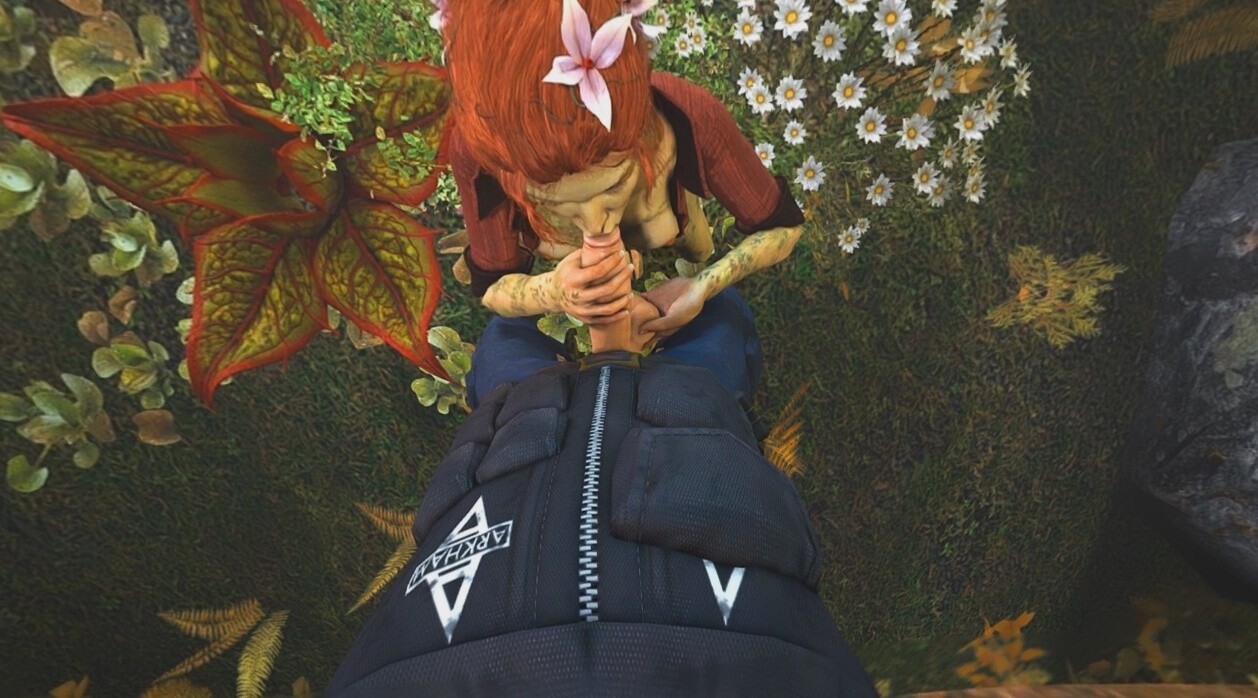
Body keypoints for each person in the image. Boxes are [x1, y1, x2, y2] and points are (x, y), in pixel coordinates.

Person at [324, 273, 879, 697]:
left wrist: (552, 291)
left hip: (517, 432)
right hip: (696, 431)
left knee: (504, 337)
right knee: (721, 315)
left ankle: (559, 289)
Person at [443, 0, 805, 339]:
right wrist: (550, 290)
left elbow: (784, 227)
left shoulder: (689, 113)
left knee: (696, 246)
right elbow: (492, 285)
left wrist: (704, 285)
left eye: (613, 186)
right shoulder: (478, 153)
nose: (596, 225)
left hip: (667, 204)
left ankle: (679, 215)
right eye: (556, 203)